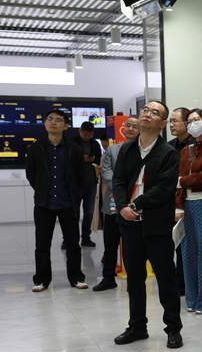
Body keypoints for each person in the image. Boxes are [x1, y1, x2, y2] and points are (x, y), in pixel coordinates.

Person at [112, 101, 184, 349]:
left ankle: (173, 328)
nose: (147, 114)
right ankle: (137, 326)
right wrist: (122, 206)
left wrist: (135, 205)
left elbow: (164, 187)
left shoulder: (168, 153)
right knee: (134, 279)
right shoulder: (127, 149)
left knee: (166, 279)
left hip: (156, 226)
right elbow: (118, 181)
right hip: (129, 225)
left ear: (162, 124)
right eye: (145, 110)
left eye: (155, 113)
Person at [25, 109, 89, 291]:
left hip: (68, 202)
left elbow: (81, 176)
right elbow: (31, 174)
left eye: (58, 120)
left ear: (66, 126)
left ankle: (76, 278)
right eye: (50, 119)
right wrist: (42, 190)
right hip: (44, 203)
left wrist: (73, 194)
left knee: (73, 243)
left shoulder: (74, 149)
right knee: (42, 244)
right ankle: (41, 280)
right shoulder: (36, 148)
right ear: (45, 123)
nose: (53, 122)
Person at [175, 108, 202, 315]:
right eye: (190, 121)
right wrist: (178, 206)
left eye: (197, 120)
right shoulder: (186, 150)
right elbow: (177, 183)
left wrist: (183, 181)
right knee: (187, 254)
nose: (193, 124)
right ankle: (192, 299)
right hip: (187, 205)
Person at [94, 115, 139, 291]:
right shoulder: (112, 150)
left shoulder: (143, 150)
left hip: (136, 200)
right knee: (110, 241)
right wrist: (122, 192)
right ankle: (108, 277)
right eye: (128, 125)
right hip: (113, 200)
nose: (130, 129)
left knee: (132, 243)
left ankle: (134, 280)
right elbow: (107, 172)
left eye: (135, 126)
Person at [168, 107, 193, 297]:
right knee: (175, 243)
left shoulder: (196, 145)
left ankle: (187, 284)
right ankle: (177, 282)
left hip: (190, 200)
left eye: (175, 121)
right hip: (171, 200)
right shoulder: (169, 146)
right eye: (170, 121)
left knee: (189, 245)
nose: (171, 125)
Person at [70, 120, 102, 248]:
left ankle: (86, 237)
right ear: (80, 131)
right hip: (75, 183)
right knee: (73, 212)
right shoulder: (71, 142)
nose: (87, 137)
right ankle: (69, 239)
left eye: (90, 135)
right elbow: (66, 160)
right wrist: (80, 159)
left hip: (91, 182)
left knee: (89, 212)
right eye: (85, 135)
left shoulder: (95, 144)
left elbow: (99, 159)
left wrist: (93, 159)